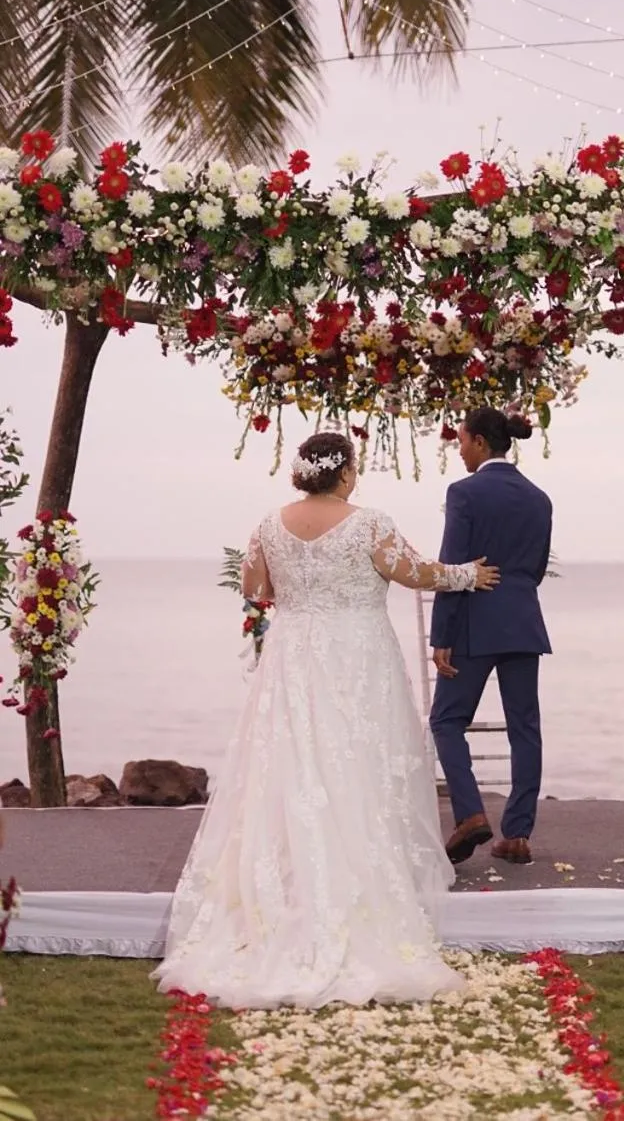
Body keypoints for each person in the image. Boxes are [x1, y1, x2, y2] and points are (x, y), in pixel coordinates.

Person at [153, 432, 499, 1010]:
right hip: (357, 655)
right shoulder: (369, 523)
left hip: (293, 654)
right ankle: (359, 881)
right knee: (358, 759)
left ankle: (287, 881)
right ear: (343, 473)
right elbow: (412, 571)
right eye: (354, 467)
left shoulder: (269, 523)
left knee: (292, 761)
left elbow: (254, 588)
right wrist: (467, 575)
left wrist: (299, 586)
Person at [429, 408, 553, 867]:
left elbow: (453, 566)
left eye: (461, 440)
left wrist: (442, 634)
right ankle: (517, 835)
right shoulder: (540, 498)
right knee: (525, 728)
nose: (459, 449)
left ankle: (470, 815)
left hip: (472, 622)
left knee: (446, 720)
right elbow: (535, 569)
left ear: (480, 441)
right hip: (523, 621)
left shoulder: (464, 493)